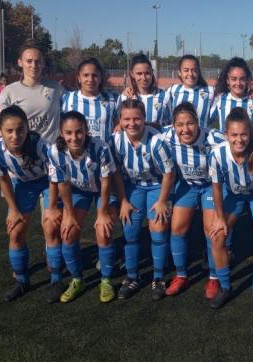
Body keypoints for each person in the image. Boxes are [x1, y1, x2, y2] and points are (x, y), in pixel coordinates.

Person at [0, 105, 61, 302]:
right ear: (0, 131)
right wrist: (13, 209)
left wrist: (52, 207)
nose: (15, 135)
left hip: (46, 182)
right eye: (9, 131)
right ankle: (21, 281)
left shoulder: (42, 146)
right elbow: (4, 180)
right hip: (22, 184)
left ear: (27, 128)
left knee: (51, 227)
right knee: (16, 230)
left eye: (20, 129)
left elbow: (54, 178)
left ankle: (56, 280)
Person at [46, 111, 118, 303]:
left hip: (103, 190)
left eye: (79, 132)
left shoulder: (100, 148)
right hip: (78, 191)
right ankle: (77, 279)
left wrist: (102, 212)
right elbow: (63, 184)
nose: (74, 137)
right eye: (68, 133)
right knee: (68, 232)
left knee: (104, 230)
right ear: (61, 132)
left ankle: (106, 280)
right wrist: (68, 214)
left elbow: (106, 181)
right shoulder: (55, 151)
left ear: (86, 130)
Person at [207, 107, 253, 310]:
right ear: (226, 135)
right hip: (232, 194)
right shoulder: (217, 154)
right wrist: (219, 217)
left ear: (251, 134)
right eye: (234, 134)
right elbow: (217, 189)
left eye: (244, 134)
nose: (239, 139)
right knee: (217, 236)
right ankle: (225, 287)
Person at [110, 99, 175, 300]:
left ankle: (158, 276)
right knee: (129, 229)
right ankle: (132, 276)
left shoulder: (156, 141)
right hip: (133, 186)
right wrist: (123, 200)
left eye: (137, 118)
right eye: (126, 119)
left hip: (157, 185)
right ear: (120, 120)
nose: (132, 123)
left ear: (144, 119)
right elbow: (117, 174)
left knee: (158, 228)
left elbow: (169, 174)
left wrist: (163, 200)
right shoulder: (116, 140)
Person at [163, 102, 227, 300]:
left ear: (198, 123)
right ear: (173, 126)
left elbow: (237, 140)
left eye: (190, 123)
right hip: (187, 185)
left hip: (210, 186)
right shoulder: (166, 136)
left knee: (211, 230)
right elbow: (146, 133)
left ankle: (214, 277)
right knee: (178, 228)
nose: (185, 129)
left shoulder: (213, 137)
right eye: (180, 124)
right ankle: (181, 275)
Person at [0, 40, 62, 143]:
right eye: (29, 61)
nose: (34, 65)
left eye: (38, 61)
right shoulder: (9, 92)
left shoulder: (56, 88)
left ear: (43, 63)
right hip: (24, 154)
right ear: (20, 62)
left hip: (50, 154)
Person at [210, 57, 253, 135]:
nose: (238, 83)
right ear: (228, 80)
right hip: (226, 146)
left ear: (247, 80)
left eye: (242, 79)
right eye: (234, 79)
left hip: (251, 147)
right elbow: (205, 121)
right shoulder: (220, 99)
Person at [61, 58, 118, 141]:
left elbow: (120, 124)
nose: (90, 79)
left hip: (104, 153)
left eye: (94, 75)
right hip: (74, 153)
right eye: (86, 75)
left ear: (101, 78)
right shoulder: (66, 98)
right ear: (79, 78)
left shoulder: (112, 99)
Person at [119, 54, 171, 129]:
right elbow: (118, 125)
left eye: (147, 73)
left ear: (152, 72)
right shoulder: (125, 97)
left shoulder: (164, 96)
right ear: (132, 74)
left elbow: (170, 124)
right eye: (139, 74)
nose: (144, 78)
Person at [167, 55, 213, 128]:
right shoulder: (173, 90)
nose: (190, 74)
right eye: (186, 70)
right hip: (178, 138)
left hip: (202, 138)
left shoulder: (210, 91)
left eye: (194, 70)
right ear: (179, 72)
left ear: (199, 72)